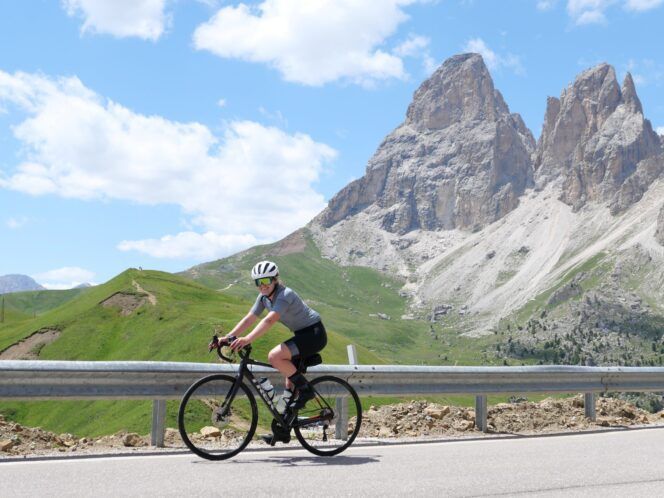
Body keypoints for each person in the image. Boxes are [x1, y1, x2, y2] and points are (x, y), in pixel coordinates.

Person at [223, 260, 327, 444]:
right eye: (258, 282)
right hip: (301, 334)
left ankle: (306, 391)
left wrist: (247, 339)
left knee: (274, 356)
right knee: (289, 384)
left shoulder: (284, 295)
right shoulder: (263, 297)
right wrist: (228, 337)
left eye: (266, 281)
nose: (262, 286)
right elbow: (250, 318)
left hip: (313, 333)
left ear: (275, 279)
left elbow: (269, 321)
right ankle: (283, 430)